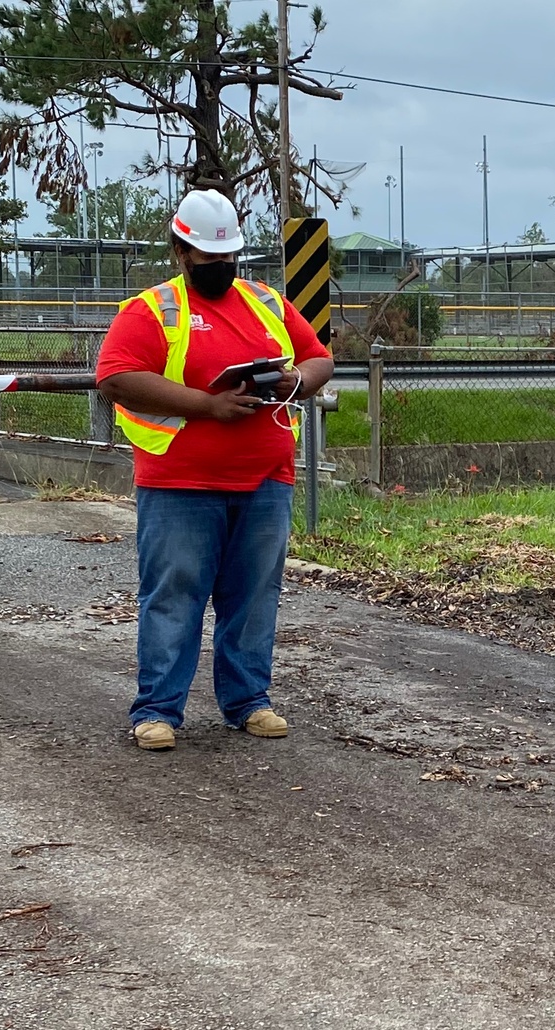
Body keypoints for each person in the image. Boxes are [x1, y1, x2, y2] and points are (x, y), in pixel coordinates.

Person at [96, 189, 335, 751]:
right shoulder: (152, 310)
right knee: (175, 594)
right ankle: (156, 711)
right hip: (180, 486)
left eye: (228, 259)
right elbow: (116, 376)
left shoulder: (267, 303)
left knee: (254, 595)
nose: (220, 269)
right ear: (182, 252)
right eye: (209, 260)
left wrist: (293, 382)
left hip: (265, 480)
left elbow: (319, 357)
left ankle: (248, 701)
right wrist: (209, 405)